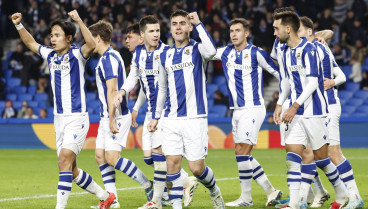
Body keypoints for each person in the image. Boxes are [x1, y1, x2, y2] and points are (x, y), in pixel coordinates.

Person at [11, 10, 115, 209]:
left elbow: (92, 44)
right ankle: (105, 196)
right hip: (59, 119)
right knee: (72, 170)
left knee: (63, 160)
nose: (52, 39)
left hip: (77, 118)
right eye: (51, 35)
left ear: (68, 38)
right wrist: (18, 25)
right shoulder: (50, 55)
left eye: (57, 35)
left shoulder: (77, 54)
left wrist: (78, 20)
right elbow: (31, 44)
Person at [114, 15, 198, 209]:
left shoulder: (167, 52)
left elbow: (167, 86)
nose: (155, 34)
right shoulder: (139, 54)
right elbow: (135, 78)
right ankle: (186, 181)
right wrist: (124, 93)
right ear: (142, 35)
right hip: (150, 112)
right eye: (151, 31)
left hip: (165, 112)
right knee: (149, 158)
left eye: (157, 30)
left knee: (159, 159)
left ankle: (157, 201)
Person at [272, 9, 349, 209]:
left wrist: (294, 106)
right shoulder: (287, 51)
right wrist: (280, 104)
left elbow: (313, 82)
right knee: (293, 155)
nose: (274, 33)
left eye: (276, 29)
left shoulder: (310, 49)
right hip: (296, 112)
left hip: (315, 111)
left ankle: (341, 191)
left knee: (322, 159)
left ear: (288, 29)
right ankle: (296, 203)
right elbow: (288, 82)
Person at [148, 10, 225, 209]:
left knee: (196, 168)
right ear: (171, 29)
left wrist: (199, 23)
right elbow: (162, 88)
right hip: (172, 119)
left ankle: (214, 190)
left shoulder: (198, 50)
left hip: (195, 118)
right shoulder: (164, 55)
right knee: (172, 163)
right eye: (175, 24)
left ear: (189, 27)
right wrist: (156, 116)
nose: (179, 27)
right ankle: (176, 206)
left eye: (183, 23)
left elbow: (212, 51)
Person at [212, 17, 282, 207]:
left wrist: (282, 101)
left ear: (246, 33)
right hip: (236, 110)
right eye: (232, 31)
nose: (234, 34)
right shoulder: (226, 52)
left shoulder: (256, 53)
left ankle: (246, 198)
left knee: (242, 151)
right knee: (243, 153)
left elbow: (279, 73)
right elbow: (208, 52)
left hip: (253, 108)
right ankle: (271, 191)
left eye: (238, 31)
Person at [298, 16, 364, 209]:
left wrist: (332, 82)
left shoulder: (320, 48)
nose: (297, 34)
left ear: (309, 32)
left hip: (329, 106)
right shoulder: (308, 49)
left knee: (333, 153)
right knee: (313, 154)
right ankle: (338, 196)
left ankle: (355, 197)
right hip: (316, 109)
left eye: (300, 30)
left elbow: (340, 74)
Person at [88, 20, 154, 209]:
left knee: (112, 157)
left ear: (98, 38)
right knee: (100, 155)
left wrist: (111, 119)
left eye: (92, 38)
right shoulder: (110, 56)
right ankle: (113, 200)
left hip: (116, 115)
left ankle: (147, 184)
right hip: (106, 114)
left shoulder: (109, 58)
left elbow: (112, 91)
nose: (89, 42)